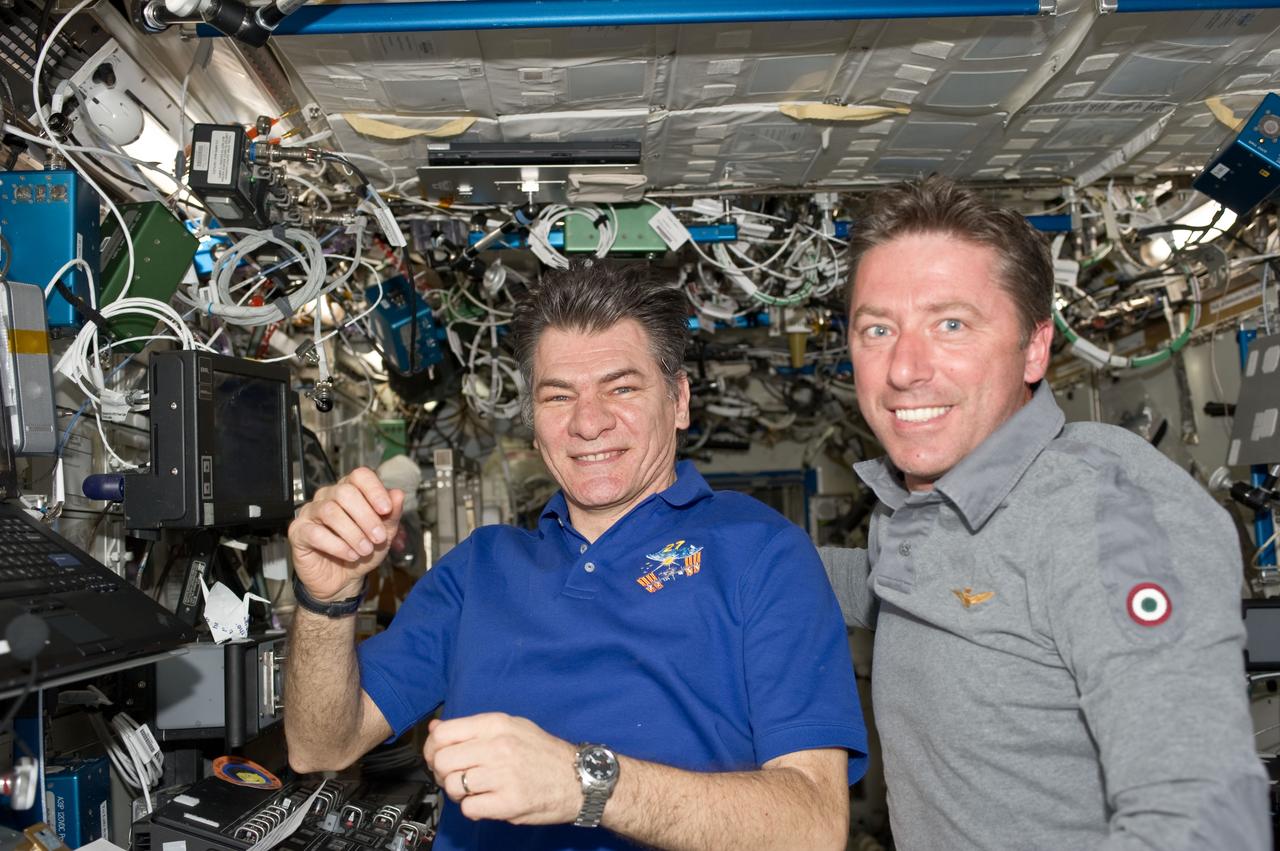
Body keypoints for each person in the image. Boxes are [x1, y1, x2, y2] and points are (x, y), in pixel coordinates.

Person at [285, 260, 868, 851]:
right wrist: (326, 601)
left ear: (679, 400)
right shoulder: (480, 568)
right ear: (534, 424)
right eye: (559, 395)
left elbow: (814, 826)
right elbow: (322, 745)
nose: (588, 423)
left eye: (621, 388)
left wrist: (585, 783)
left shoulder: (762, 551)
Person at [820, 175, 1269, 850]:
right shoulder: (923, 500)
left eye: (951, 324)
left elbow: (1201, 824)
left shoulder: (1101, 517)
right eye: (878, 328)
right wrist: (714, 552)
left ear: (1035, 347)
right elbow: (882, 585)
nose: (905, 368)